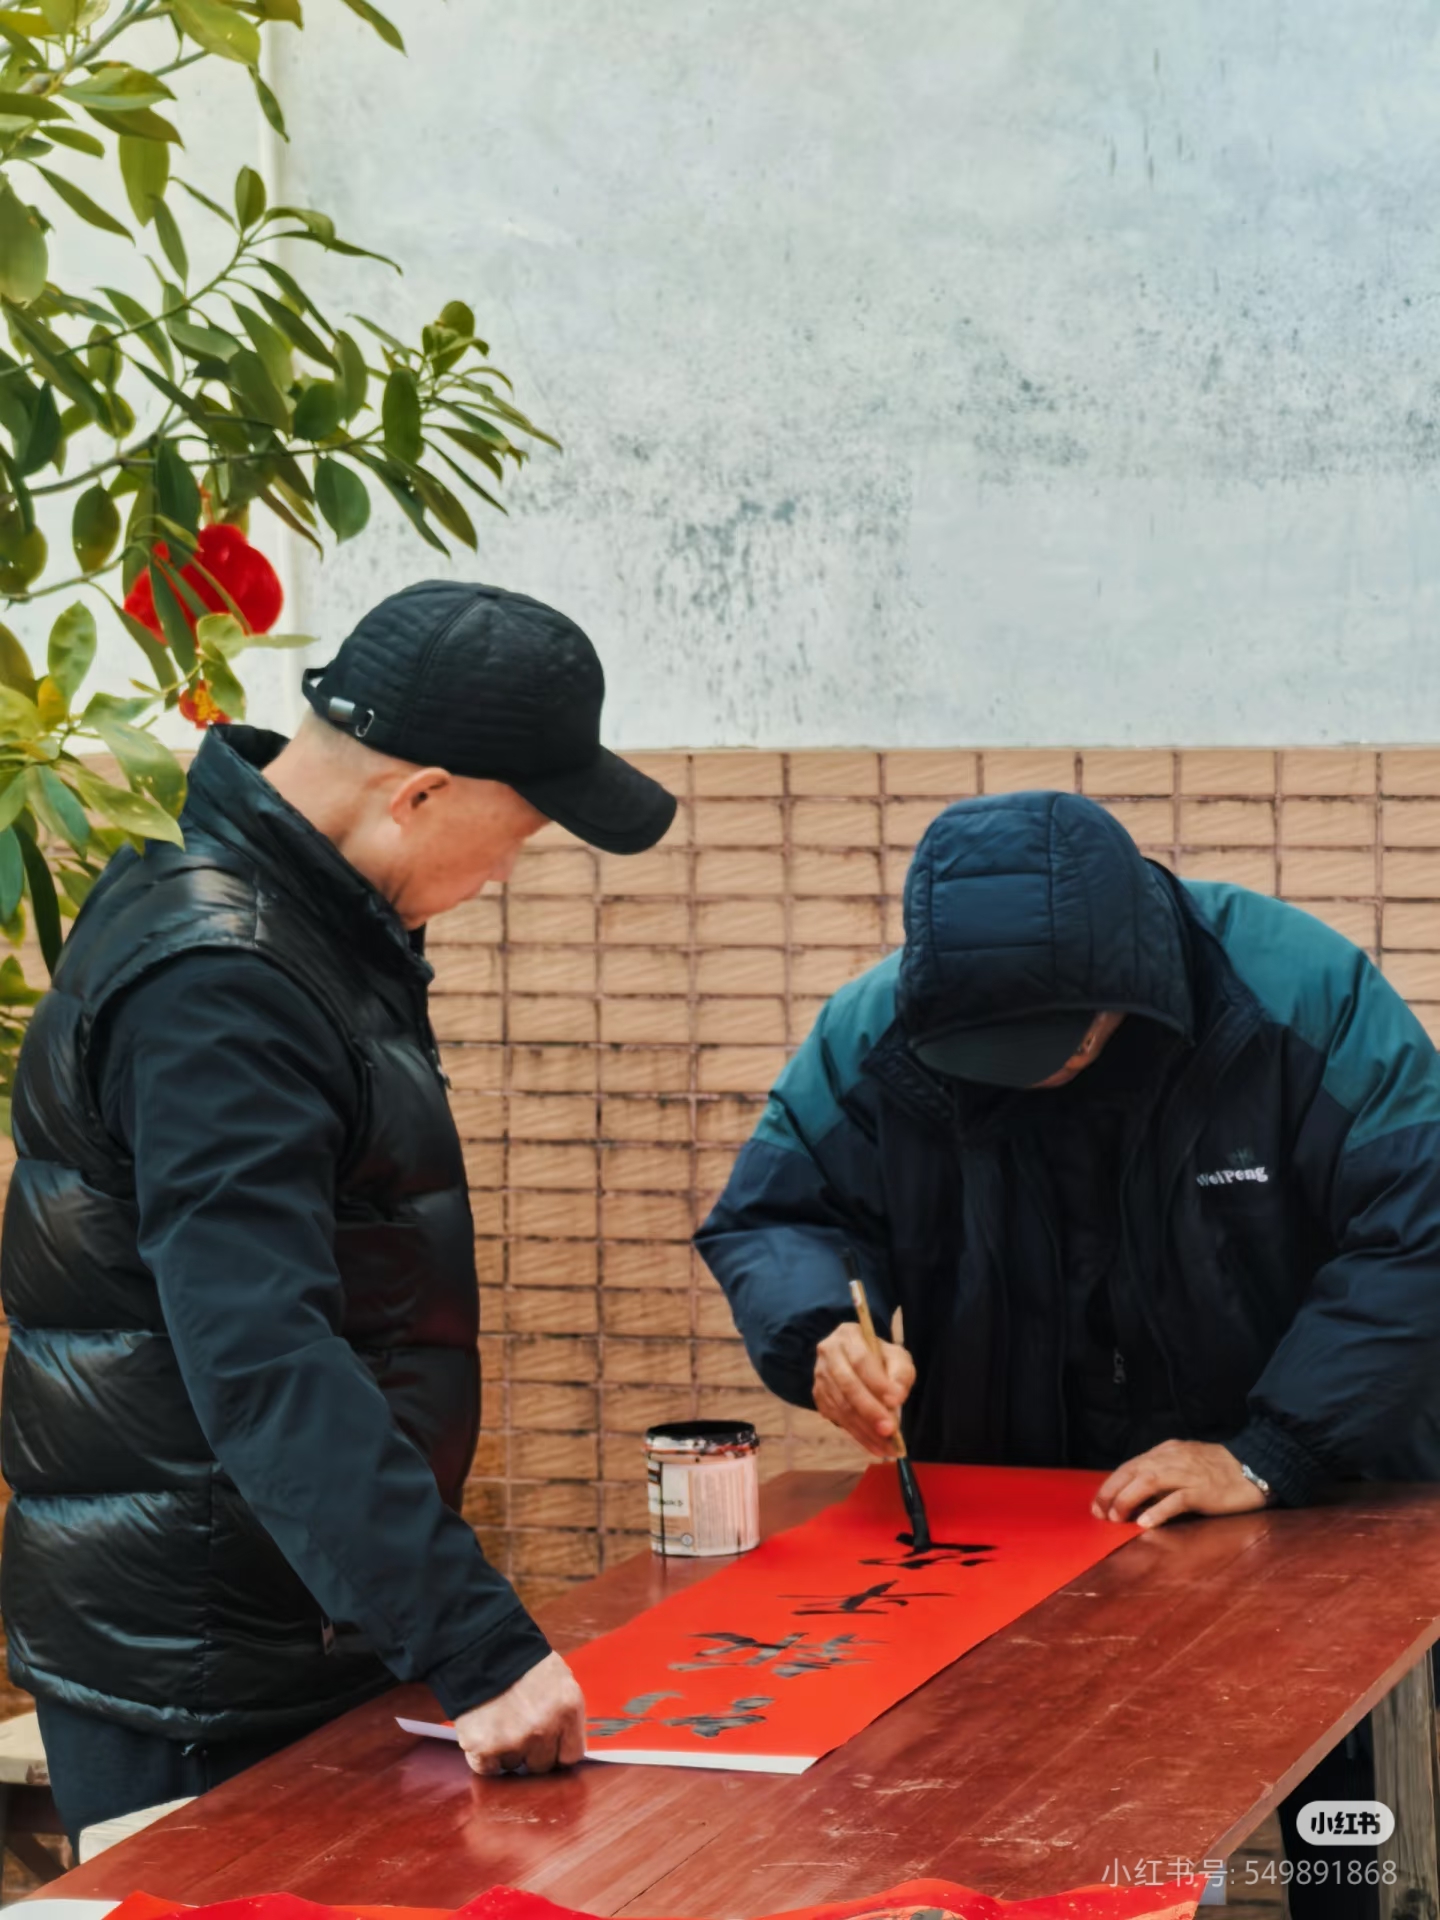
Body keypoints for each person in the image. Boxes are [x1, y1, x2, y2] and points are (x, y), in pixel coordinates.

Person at [0, 580, 677, 1846]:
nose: (506, 870)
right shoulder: (223, 981)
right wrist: (472, 1641)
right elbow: (262, 1352)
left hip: (281, 1614)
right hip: (204, 1660)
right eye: (518, 834)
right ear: (418, 793)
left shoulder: (283, 913)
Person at [697, 788, 1440, 1920]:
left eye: (1056, 1047)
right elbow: (776, 1215)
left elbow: (1419, 1230)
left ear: (1128, 984)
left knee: (1331, 1798)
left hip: (1296, 1485)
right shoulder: (878, 1028)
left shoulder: (1298, 996)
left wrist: (1272, 1451)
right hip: (1014, 1497)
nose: (1029, 1074)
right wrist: (823, 1334)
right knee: (1015, 1803)